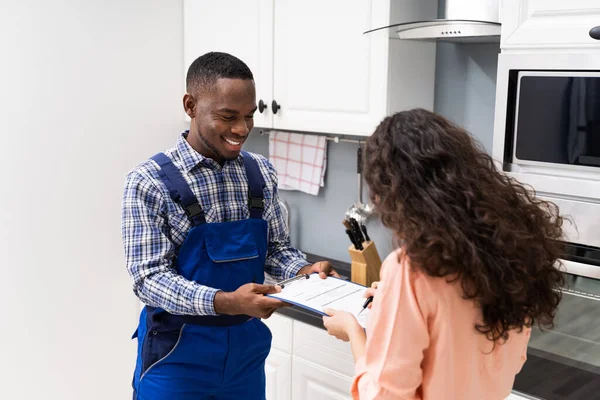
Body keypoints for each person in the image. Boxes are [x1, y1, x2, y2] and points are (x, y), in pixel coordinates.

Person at [121, 51, 338, 400]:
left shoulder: (260, 171)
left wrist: (306, 270)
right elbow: (148, 279)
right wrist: (226, 301)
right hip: (176, 359)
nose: (242, 129)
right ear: (191, 105)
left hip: (246, 355)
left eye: (249, 116)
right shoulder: (149, 182)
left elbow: (277, 249)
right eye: (228, 116)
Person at [322, 109, 565, 400]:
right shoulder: (513, 250)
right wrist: (394, 302)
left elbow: (385, 396)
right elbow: (507, 359)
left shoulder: (410, 269)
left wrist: (353, 331)